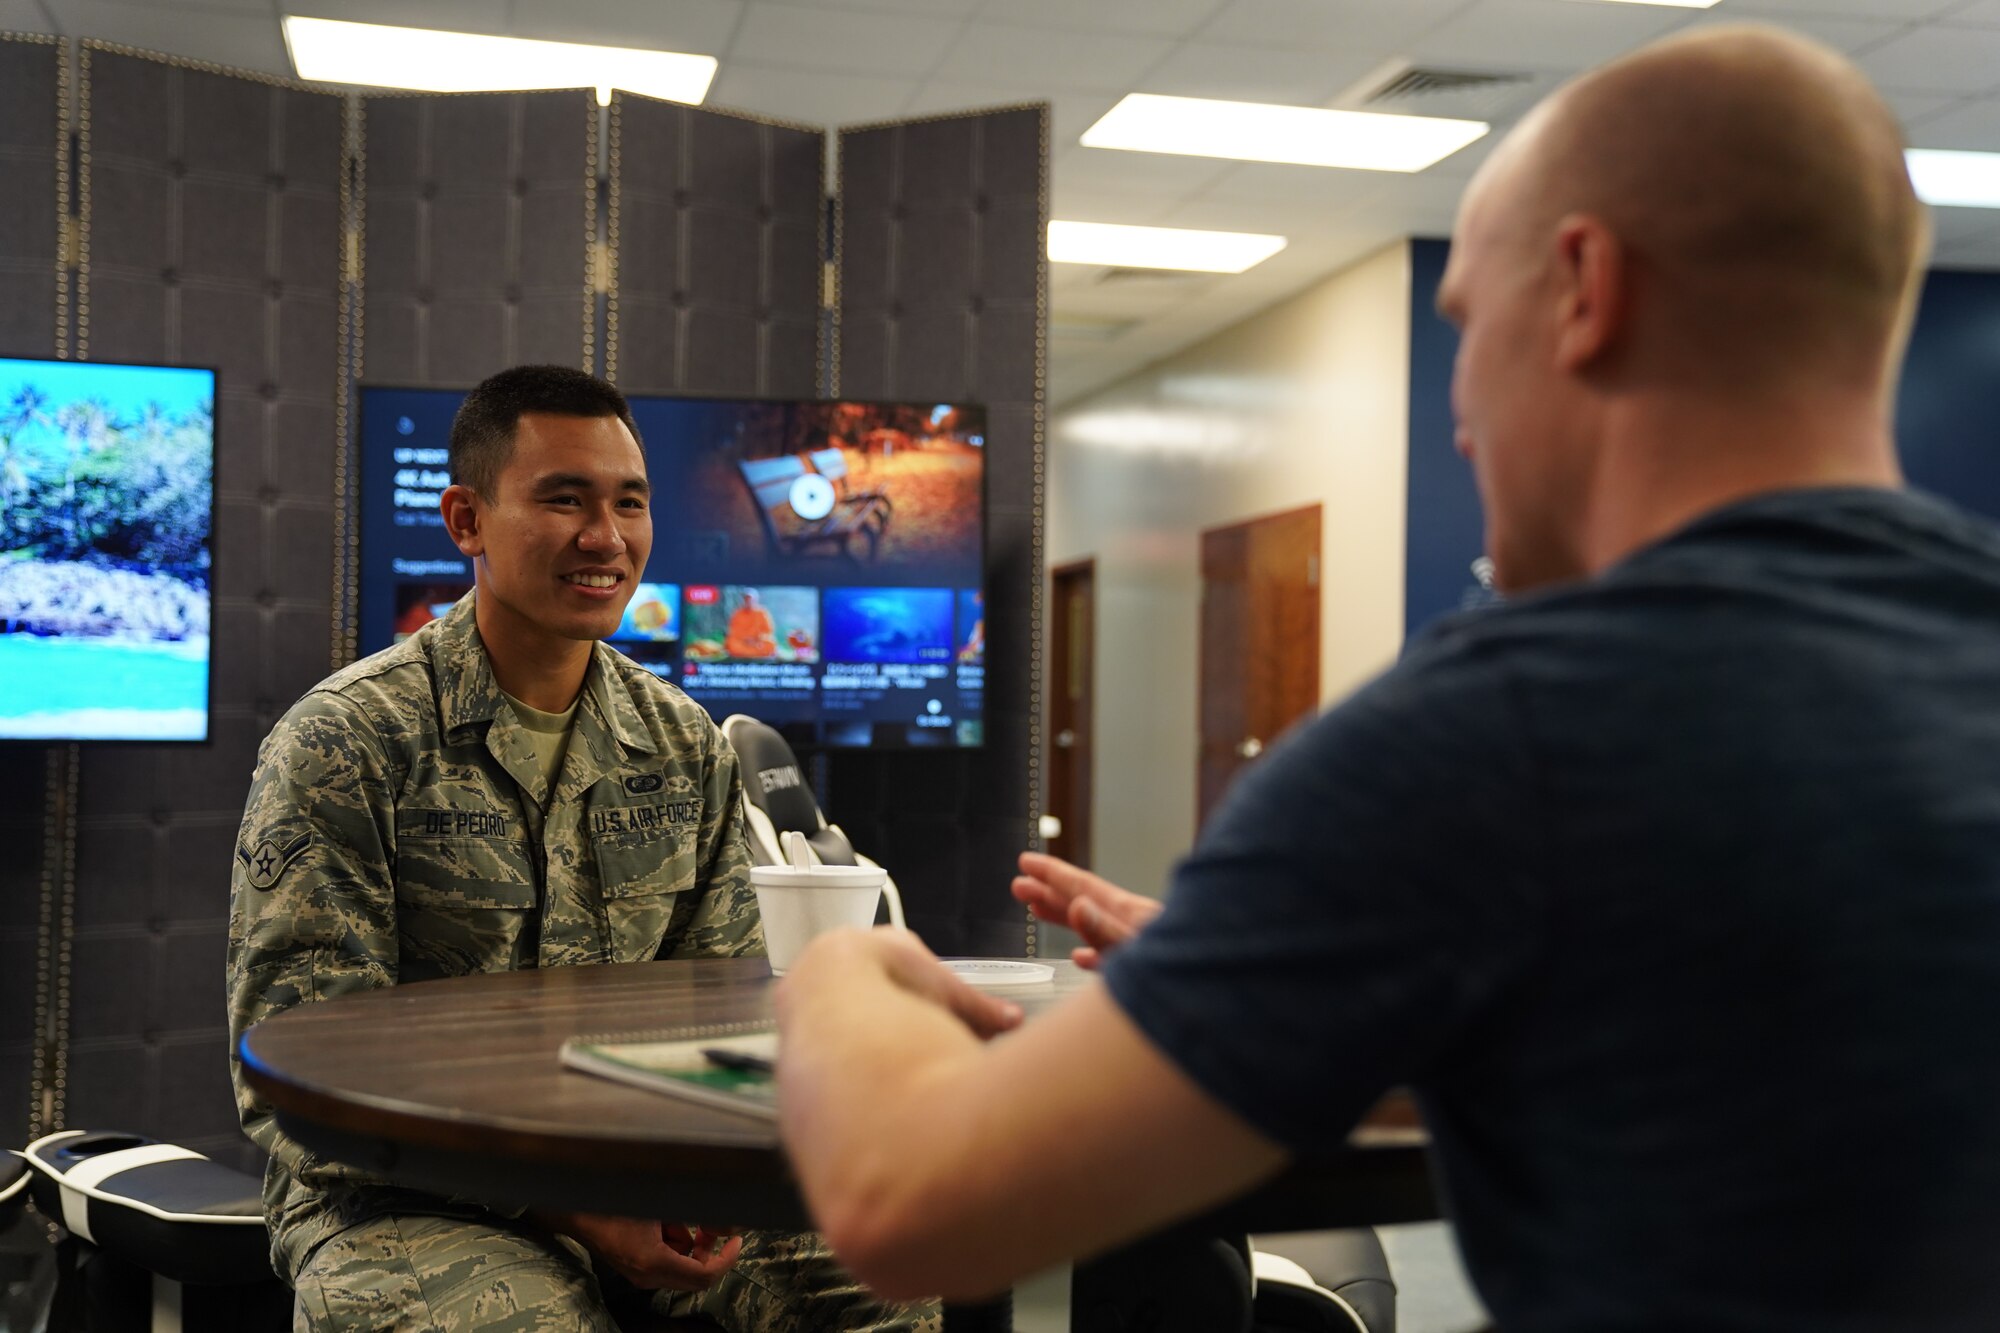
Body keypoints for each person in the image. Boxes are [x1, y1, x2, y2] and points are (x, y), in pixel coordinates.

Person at [772, 25, 2000, 1330]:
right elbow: (1778, 1073)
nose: (1462, 406)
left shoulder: (1496, 735)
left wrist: (849, 967)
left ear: (1586, 288)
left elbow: (913, 1202)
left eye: (1466, 320)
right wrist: (1280, 980)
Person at [228, 365, 930, 1332]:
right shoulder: (348, 742)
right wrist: (571, 1208)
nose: (605, 537)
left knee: (894, 1273)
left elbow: (724, 1011)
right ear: (466, 520)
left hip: (655, 1172)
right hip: (406, 1197)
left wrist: (707, 1175)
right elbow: (297, 1081)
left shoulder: (680, 743)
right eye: (564, 499)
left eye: (628, 503)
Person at [726, 588, 778, 659]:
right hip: (742, 642)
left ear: (756, 600)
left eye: (750, 599)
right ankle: (753, 654)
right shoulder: (737, 613)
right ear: (743, 600)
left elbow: (768, 631)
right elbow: (734, 631)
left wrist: (756, 639)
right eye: (746, 599)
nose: (748, 601)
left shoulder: (762, 613)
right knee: (731, 643)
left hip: (758, 643)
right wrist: (745, 639)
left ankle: (748, 653)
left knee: (770, 643)